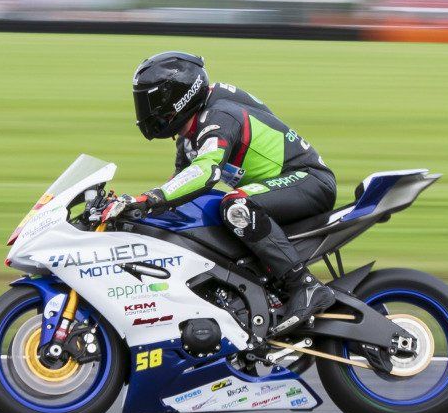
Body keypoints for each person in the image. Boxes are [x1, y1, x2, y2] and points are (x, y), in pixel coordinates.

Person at [117, 51, 337, 332]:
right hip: (279, 189)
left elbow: (206, 172)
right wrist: (135, 210)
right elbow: (181, 186)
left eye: (150, 102)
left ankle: (305, 286)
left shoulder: (219, 116)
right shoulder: (190, 136)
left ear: (177, 96)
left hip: (309, 180)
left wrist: (150, 199)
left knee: (235, 205)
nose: (146, 112)